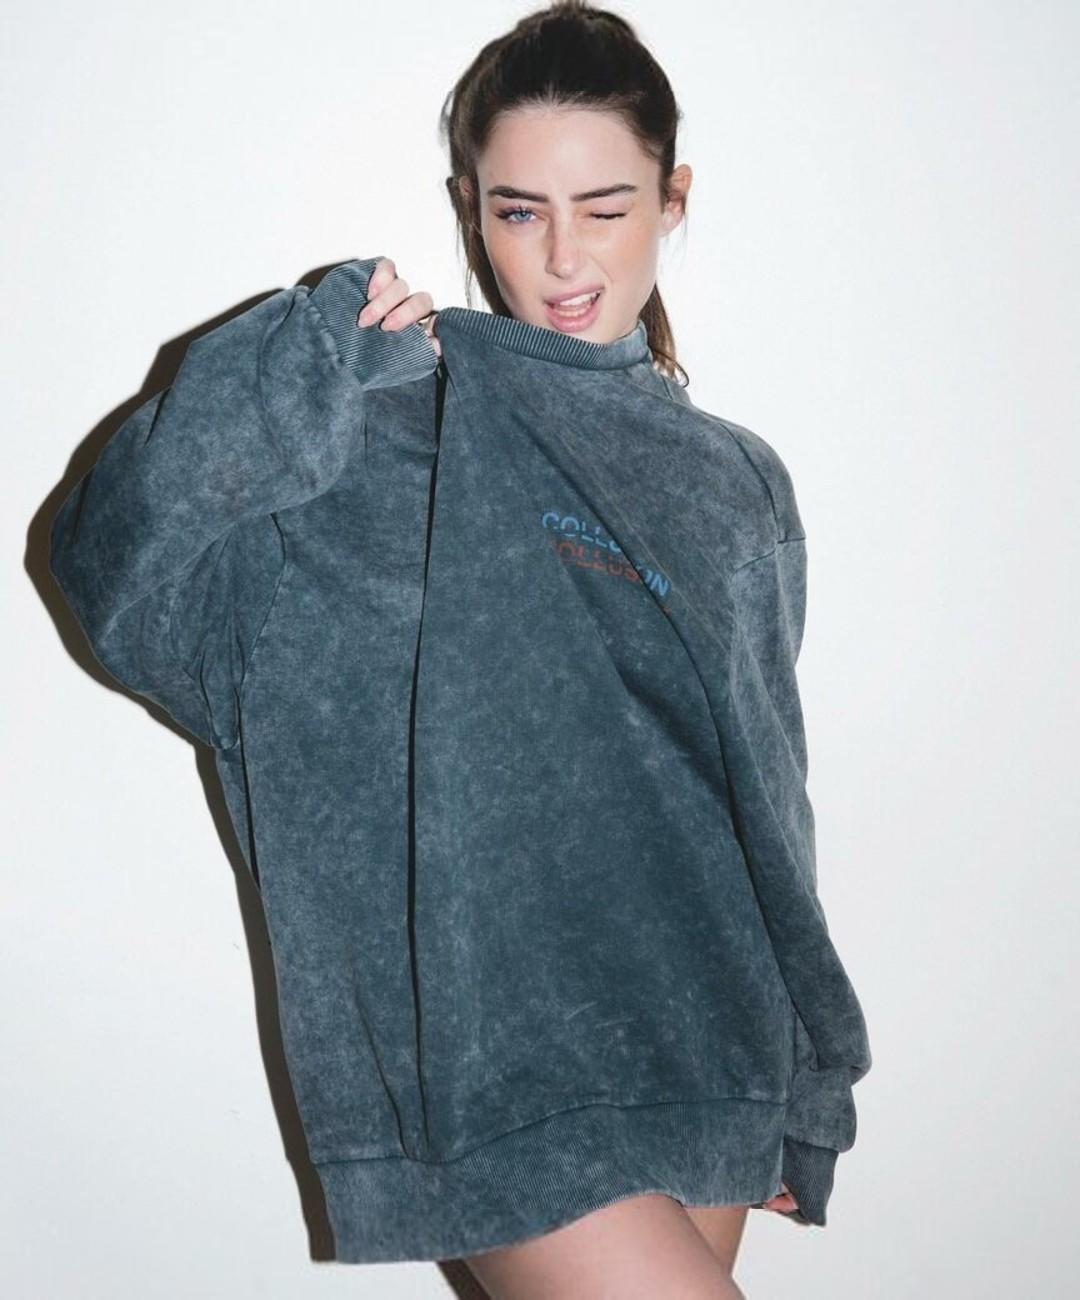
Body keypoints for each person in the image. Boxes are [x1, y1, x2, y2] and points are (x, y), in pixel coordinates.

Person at [50, 3, 870, 1296]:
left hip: (708, 1041)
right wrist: (304, 364)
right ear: (469, 210)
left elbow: (767, 800)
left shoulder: (736, 483)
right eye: (519, 211)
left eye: (605, 207)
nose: (563, 258)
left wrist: (805, 1083)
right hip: (493, 1065)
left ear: (675, 199)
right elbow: (118, 578)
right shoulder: (388, 428)